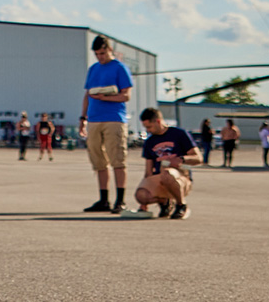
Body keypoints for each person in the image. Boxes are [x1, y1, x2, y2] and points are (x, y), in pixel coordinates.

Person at [79, 35, 132, 215]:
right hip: (94, 119)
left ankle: (121, 199)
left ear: (110, 50)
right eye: (97, 54)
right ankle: (103, 199)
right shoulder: (93, 69)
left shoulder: (119, 68)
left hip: (113, 118)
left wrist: (106, 97)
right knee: (98, 160)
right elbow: (87, 95)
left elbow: (126, 95)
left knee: (117, 158)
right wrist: (83, 118)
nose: (100, 57)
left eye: (102, 53)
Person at [121, 108, 197, 220]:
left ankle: (181, 205)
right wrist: (144, 201)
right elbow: (148, 171)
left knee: (167, 173)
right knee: (141, 195)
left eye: (149, 127)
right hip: (159, 178)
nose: (148, 130)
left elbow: (198, 158)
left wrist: (181, 159)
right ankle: (165, 202)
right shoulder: (150, 142)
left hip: (179, 177)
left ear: (158, 121)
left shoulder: (179, 134)